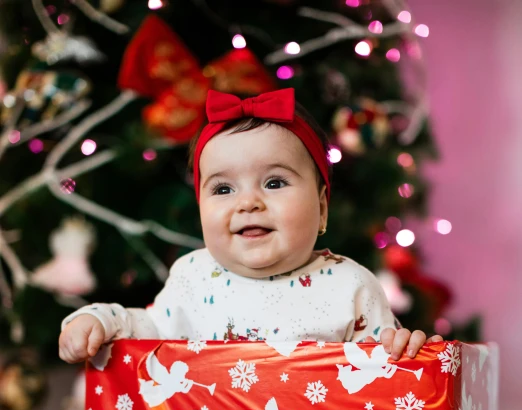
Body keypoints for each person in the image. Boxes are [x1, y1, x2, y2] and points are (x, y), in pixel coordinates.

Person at [59, 87, 442, 363]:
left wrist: (405, 348)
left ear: (322, 207)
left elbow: (388, 371)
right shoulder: (193, 276)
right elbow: (149, 328)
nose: (248, 202)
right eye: (223, 188)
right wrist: (98, 320)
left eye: (274, 183)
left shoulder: (352, 286)